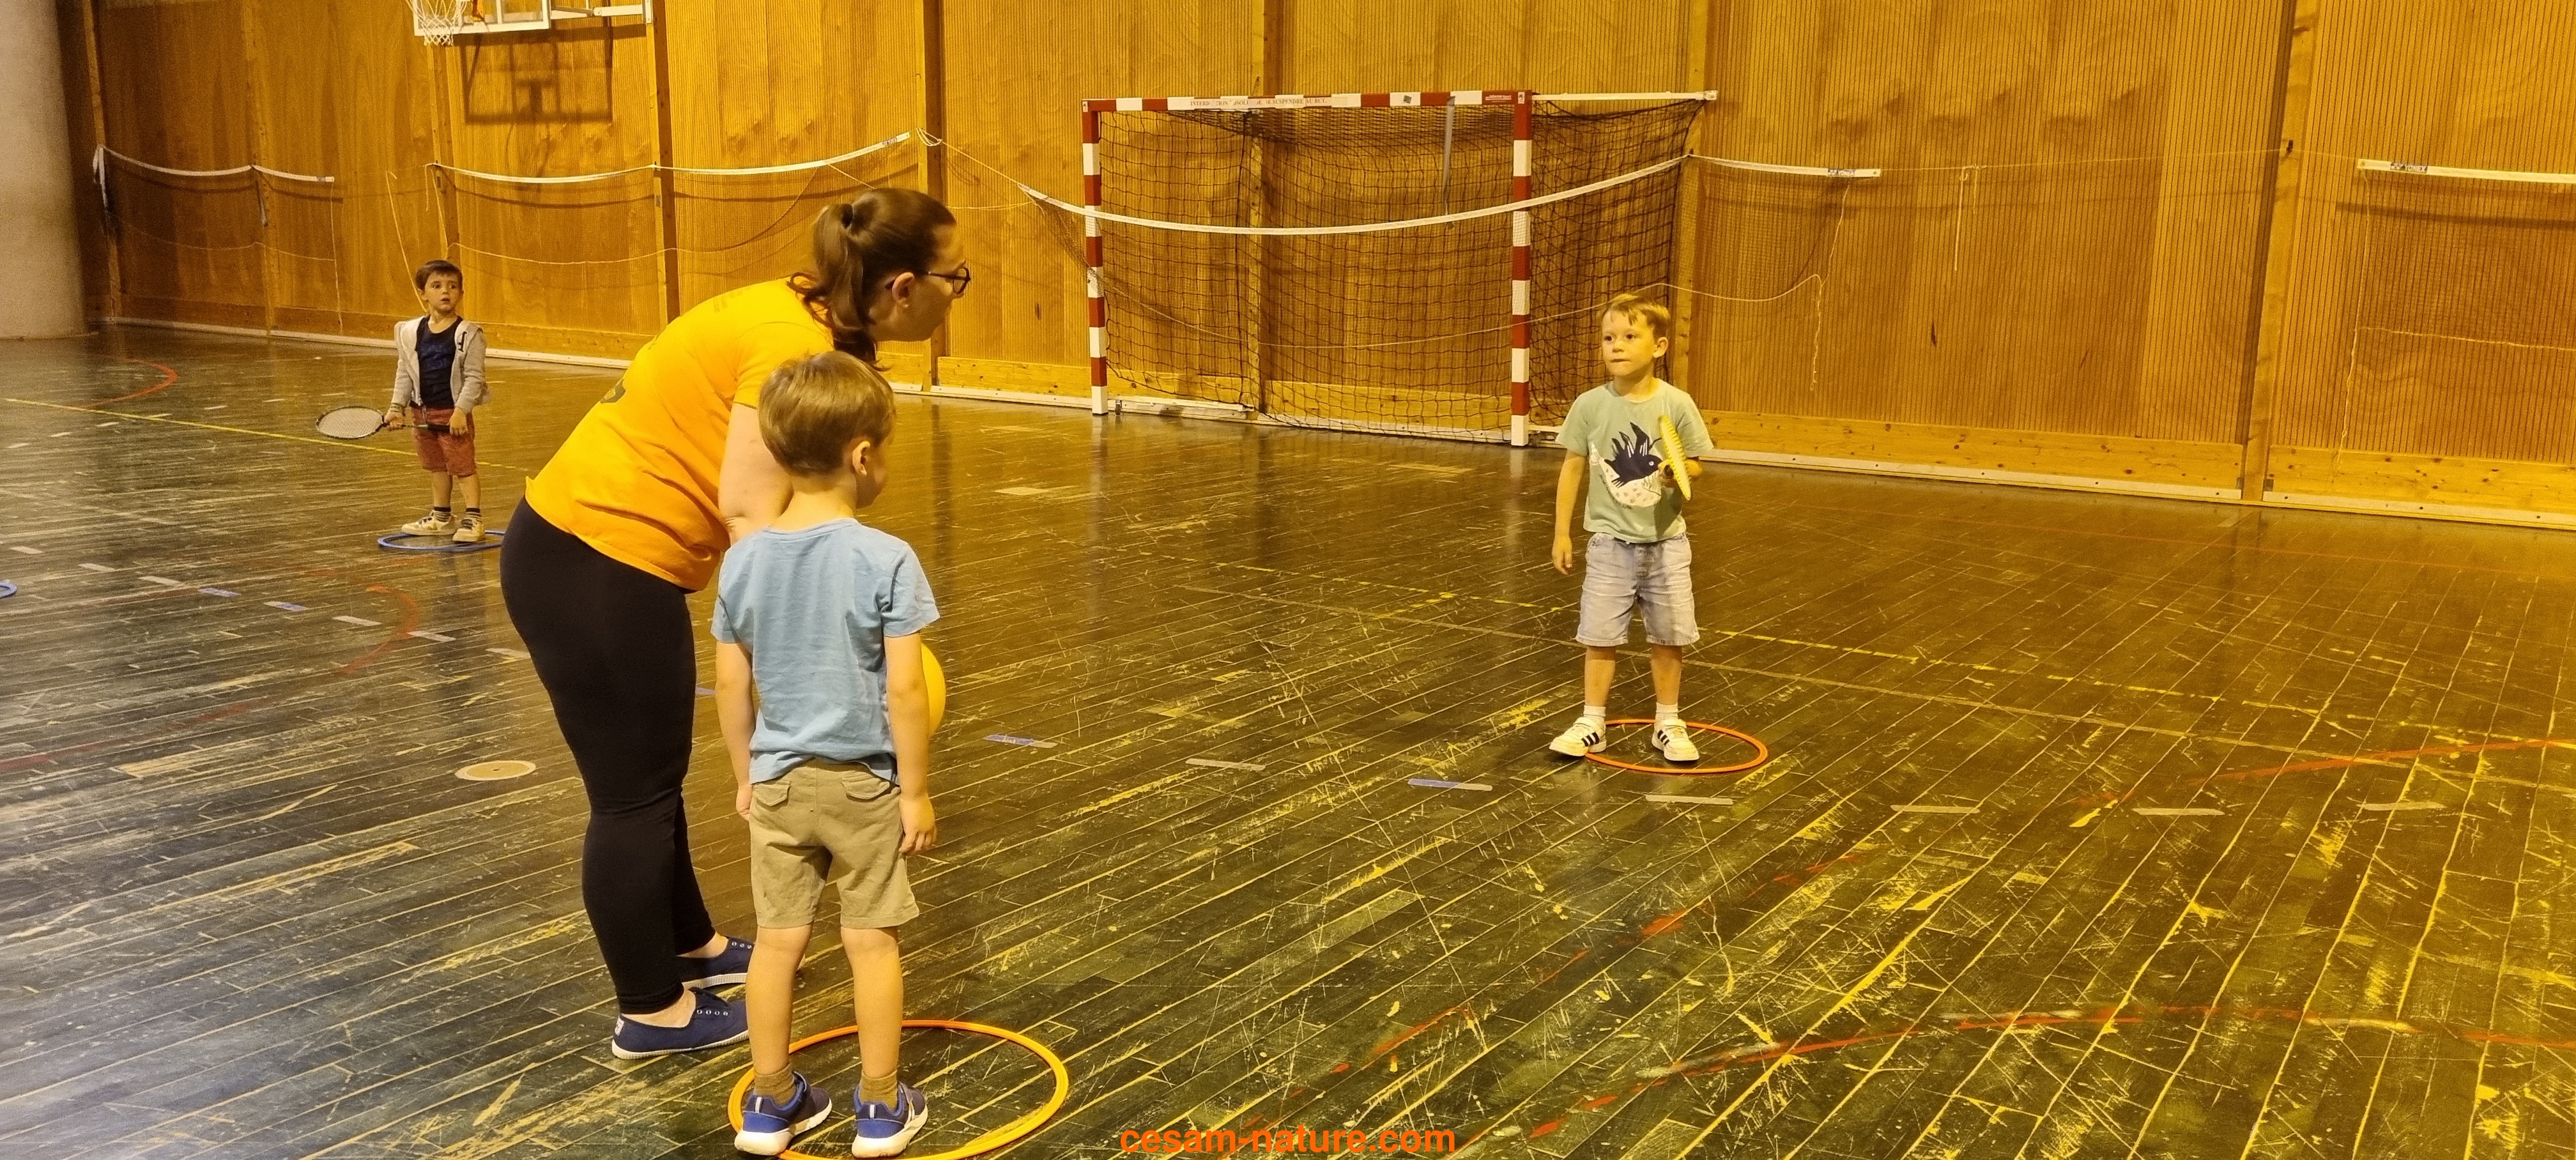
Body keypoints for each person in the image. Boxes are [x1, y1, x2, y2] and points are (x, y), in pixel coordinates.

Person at [498, 189, 966, 1060]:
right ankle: (651, 1009)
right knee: (630, 796)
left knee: (654, 776)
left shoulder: (798, 312)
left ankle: (691, 947)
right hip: (593, 559)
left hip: (602, 556)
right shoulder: (792, 342)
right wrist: (813, 647)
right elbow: (751, 511)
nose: (956, 293)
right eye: (956, 278)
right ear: (904, 287)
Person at [716, 352, 937, 1157]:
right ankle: (879, 1106)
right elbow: (905, 690)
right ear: (863, 455)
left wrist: (745, 774)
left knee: (777, 942)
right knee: (870, 940)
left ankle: (770, 1102)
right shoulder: (886, 558)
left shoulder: (742, 559)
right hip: (863, 785)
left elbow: (730, 681)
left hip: (777, 784)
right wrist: (914, 791)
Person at [1547, 293, 1717, 763]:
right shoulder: (1589, 405)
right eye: (1608, 338)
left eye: (1628, 336)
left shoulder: (1677, 403)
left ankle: (1668, 722)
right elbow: (1572, 467)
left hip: (1667, 546)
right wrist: (1562, 532)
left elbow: (1695, 464)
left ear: (1659, 346)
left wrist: (1677, 472)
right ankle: (1592, 722)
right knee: (1599, 636)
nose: (1616, 346)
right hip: (1609, 545)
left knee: (1670, 636)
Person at [389, 260, 491, 543]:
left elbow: (474, 378)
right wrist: (396, 407)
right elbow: (405, 371)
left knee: (463, 466)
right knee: (436, 466)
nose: (446, 291)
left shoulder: (469, 334)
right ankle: (442, 516)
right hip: (421, 413)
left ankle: (474, 518)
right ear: (423, 293)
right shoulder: (410, 332)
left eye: (452, 286)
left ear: (461, 292)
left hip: (452, 413)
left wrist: (461, 412)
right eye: (436, 286)